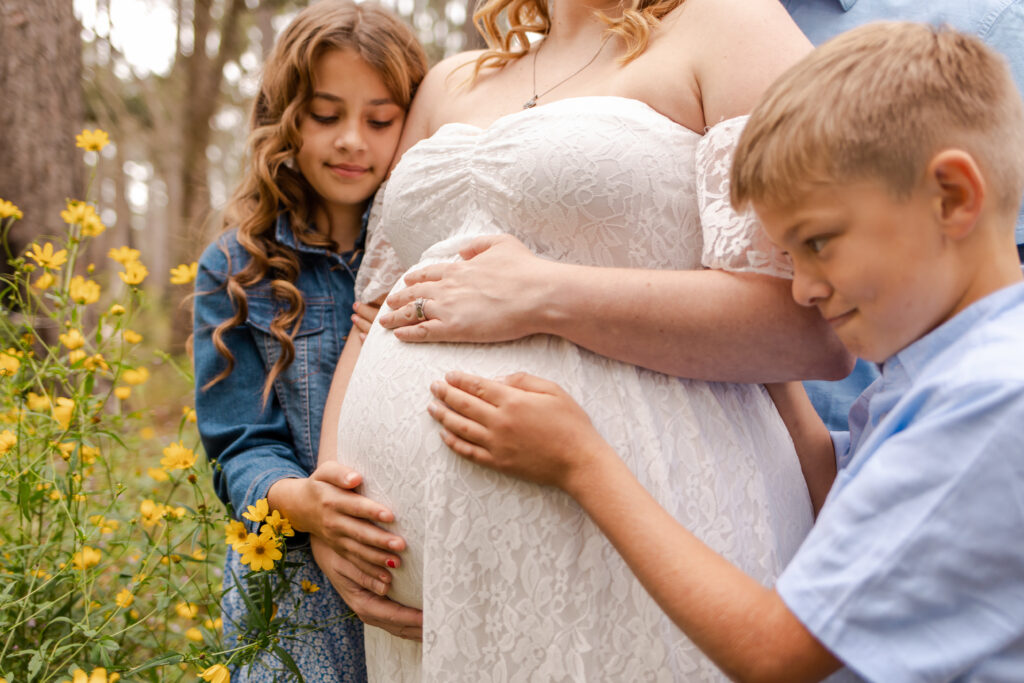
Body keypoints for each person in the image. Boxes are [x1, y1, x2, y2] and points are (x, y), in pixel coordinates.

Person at [426, 22, 1024, 681]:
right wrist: (753, 354)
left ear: (953, 196)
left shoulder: (991, 396)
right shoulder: (928, 373)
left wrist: (582, 460)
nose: (803, 288)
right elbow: (835, 497)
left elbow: (776, 652)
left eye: (818, 243)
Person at [315, 0, 852, 679]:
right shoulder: (447, 83)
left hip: (648, 529)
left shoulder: (730, 25)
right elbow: (375, 316)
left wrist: (545, 295)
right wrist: (329, 498)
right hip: (422, 608)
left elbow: (814, 326)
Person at [192, 2, 426, 680]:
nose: (354, 139)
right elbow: (239, 444)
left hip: (413, 560)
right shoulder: (235, 268)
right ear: (286, 118)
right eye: (327, 115)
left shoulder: (428, 251)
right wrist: (307, 506)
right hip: (292, 578)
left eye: (380, 120)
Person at [782, 0, 1024, 430]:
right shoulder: (657, 20)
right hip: (842, 451)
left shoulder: (987, 20)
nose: (805, 289)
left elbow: (1000, 274)